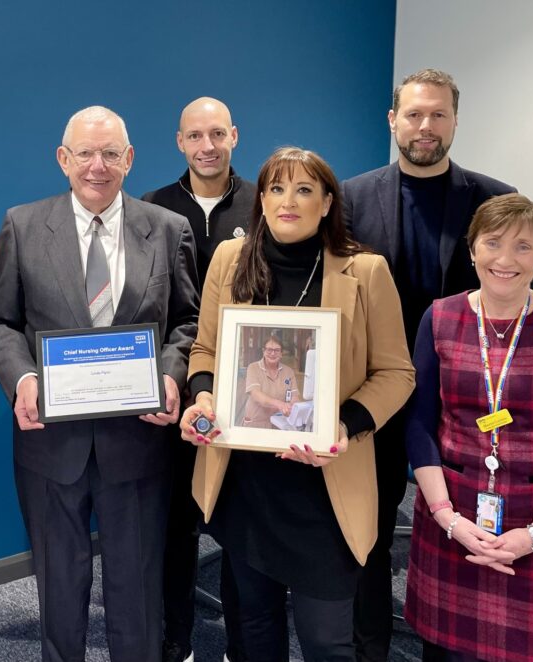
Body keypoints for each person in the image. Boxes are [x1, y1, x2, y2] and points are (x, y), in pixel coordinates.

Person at [179, 147, 415, 662]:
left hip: (324, 485)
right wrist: (202, 396)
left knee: (327, 639)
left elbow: (397, 373)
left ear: (328, 202)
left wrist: (343, 423)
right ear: (261, 199)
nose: (290, 201)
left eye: (305, 189)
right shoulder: (229, 259)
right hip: (245, 479)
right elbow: (206, 350)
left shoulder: (366, 271)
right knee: (253, 628)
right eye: (278, 188)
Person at [0, 106, 200, 662]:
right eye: (85, 153)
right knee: (59, 584)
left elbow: (187, 322)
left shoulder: (167, 229)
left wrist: (171, 375)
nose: (97, 166)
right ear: (64, 159)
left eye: (110, 154)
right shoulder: (23, 225)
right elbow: (2, 323)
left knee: (137, 588)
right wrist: (23, 377)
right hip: (51, 443)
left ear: (129, 159)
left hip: (139, 439)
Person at [341, 68, 517, 660]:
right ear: (392, 120)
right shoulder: (350, 197)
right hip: (377, 392)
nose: (425, 126)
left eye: (438, 114)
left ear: (455, 122)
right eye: (414, 114)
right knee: (370, 523)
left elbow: (515, 302)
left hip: (464, 399)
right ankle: (371, 644)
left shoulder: (495, 201)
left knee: (462, 521)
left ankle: (451, 642)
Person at [404, 194, 533, 662]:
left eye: (523, 247)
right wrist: (445, 516)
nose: (505, 260)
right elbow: (418, 425)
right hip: (454, 519)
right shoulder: (440, 317)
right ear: (472, 249)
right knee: (448, 654)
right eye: (492, 243)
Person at [141, 96, 255, 662]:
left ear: (234, 134)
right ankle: (176, 637)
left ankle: (242, 641)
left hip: (247, 400)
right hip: (171, 398)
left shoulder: (267, 206)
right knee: (175, 526)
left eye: (217, 134)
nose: (206, 147)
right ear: (179, 142)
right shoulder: (151, 210)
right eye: (194, 136)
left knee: (239, 530)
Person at [242, 334, 299, 429]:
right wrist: (280, 404)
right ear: (263, 351)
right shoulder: (253, 368)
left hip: (280, 424)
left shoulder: (288, 371)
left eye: (277, 350)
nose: (273, 353)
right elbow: (256, 394)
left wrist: (291, 406)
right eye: (269, 350)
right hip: (256, 423)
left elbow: (295, 396)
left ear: (281, 353)